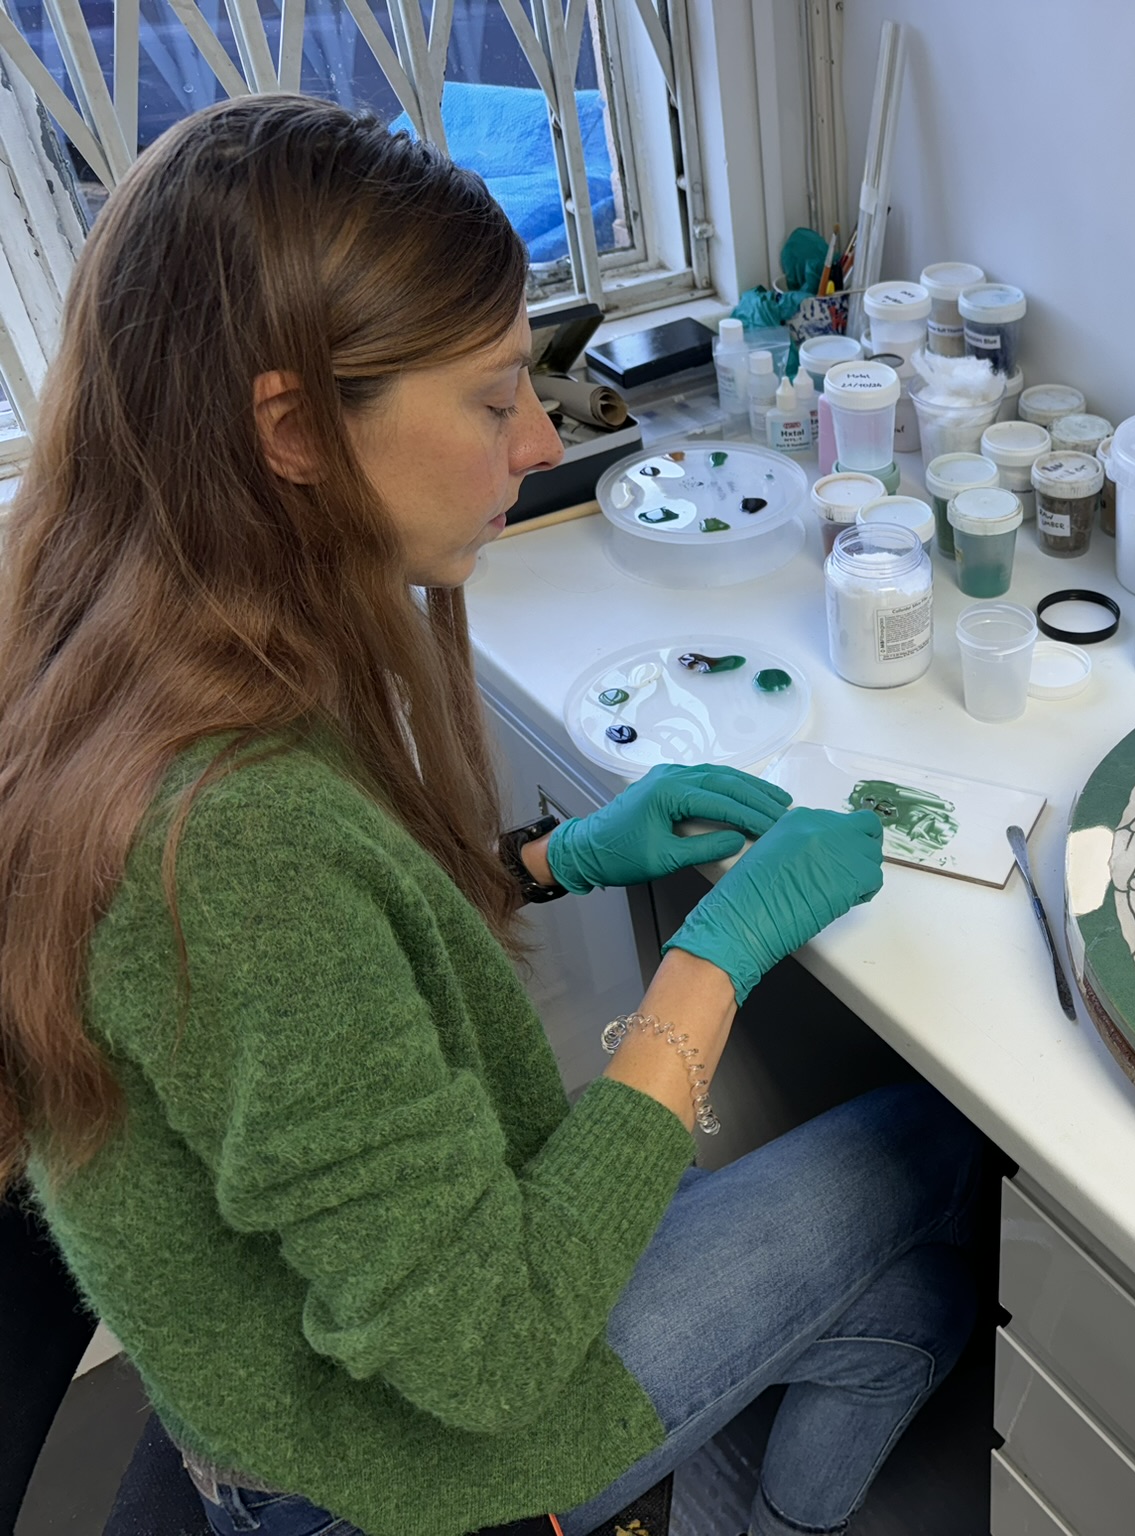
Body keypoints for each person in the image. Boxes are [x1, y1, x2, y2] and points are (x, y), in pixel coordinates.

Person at [0, 96, 980, 1536]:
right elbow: (496, 1351)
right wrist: (714, 957)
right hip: (387, 1463)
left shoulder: (111, 652)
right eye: (492, 397)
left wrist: (540, 859)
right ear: (291, 428)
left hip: (297, 1376)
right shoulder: (233, 843)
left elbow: (321, 982)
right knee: (934, 1147)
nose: (534, 443)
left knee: (908, 1291)